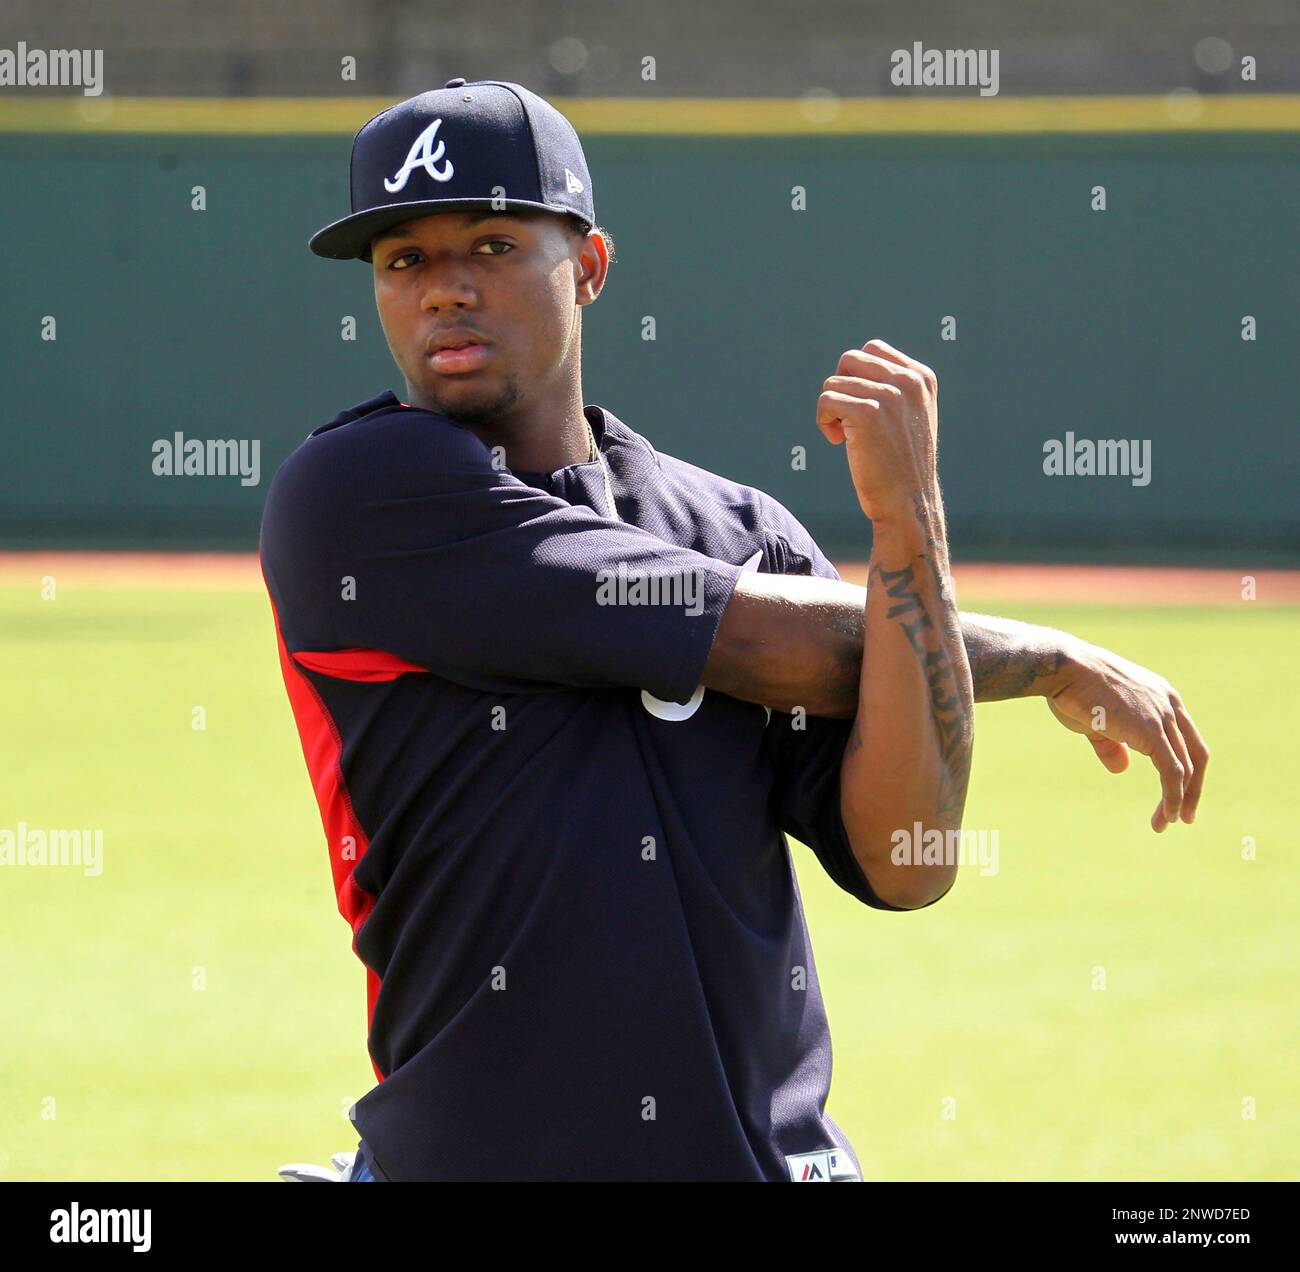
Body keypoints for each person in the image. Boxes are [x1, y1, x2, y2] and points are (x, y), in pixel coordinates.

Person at [261, 79, 1208, 1183]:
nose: (444, 290)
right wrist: (1049, 658)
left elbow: (906, 860)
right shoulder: (362, 493)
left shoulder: (737, 526)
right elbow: (779, 646)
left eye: (492, 241)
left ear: (591, 266)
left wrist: (908, 526)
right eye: (403, 260)